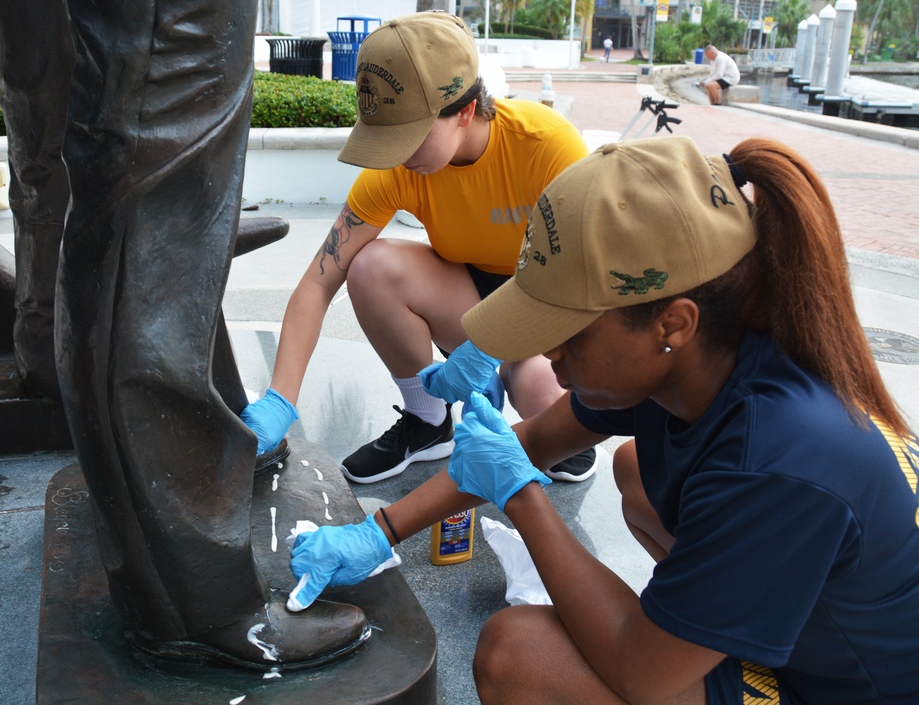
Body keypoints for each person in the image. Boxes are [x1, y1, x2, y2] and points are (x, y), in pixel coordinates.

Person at [289, 136, 919, 703]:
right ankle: (712, 620)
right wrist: (380, 533)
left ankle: (703, 632)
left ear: (672, 323)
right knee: (637, 470)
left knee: (520, 653)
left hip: (847, 687)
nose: (549, 351)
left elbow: (639, 673)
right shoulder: (699, 358)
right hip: (811, 602)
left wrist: (525, 500)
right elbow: (531, 440)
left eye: (567, 332)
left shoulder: (777, 457)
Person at [240, 11, 595, 484]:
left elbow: (589, 282)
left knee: (544, 404)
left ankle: (524, 395)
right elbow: (318, 283)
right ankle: (429, 422)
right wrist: (280, 399)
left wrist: (491, 350)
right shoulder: (397, 168)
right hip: (466, 298)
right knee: (369, 266)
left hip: (549, 309)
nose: (397, 156)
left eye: (409, 136)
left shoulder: (546, 147)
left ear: (465, 111)